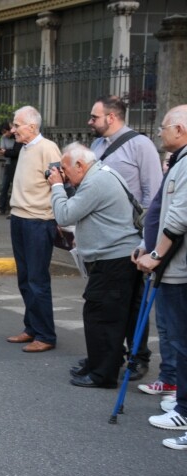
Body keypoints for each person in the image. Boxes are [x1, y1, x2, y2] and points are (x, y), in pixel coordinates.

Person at [49, 143, 141, 388]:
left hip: (113, 259)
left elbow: (64, 215)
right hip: (115, 257)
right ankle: (100, 363)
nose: (63, 174)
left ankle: (103, 374)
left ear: (80, 165)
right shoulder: (102, 173)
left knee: (101, 316)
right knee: (105, 314)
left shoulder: (95, 181)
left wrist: (56, 186)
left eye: (65, 169)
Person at [89, 95, 164, 382]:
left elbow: (153, 195)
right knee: (108, 302)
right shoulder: (97, 145)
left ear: (111, 117)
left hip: (131, 238)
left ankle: (138, 357)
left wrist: (147, 240)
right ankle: (110, 355)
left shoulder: (140, 145)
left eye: (94, 117)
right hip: (102, 238)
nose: (90, 122)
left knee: (133, 302)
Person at [135, 105, 187, 450]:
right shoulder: (179, 161)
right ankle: (180, 400)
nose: (159, 133)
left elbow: (179, 218)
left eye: (163, 127)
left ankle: (184, 409)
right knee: (174, 336)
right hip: (172, 268)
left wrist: (155, 256)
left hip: (177, 268)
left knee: (181, 341)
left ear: (180, 129)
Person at [6, 106, 61, 353]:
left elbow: (59, 184)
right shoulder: (25, 148)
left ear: (32, 126)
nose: (13, 129)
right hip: (20, 218)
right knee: (25, 279)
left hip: (38, 221)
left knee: (37, 280)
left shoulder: (47, 148)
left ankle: (46, 335)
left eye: (17, 125)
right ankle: (32, 327)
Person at [0, 121, 21, 216]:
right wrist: (1, 152)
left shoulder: (17, 137)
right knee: (4, 186)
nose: (5, 134)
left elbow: (15, 152)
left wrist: (6, 152)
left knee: (15, 188)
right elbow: (4, 149)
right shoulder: (4, 138)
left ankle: (13, 210)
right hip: (8, 163)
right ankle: (1, 208)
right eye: (3, 132)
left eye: (6, 132)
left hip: (17, 164)